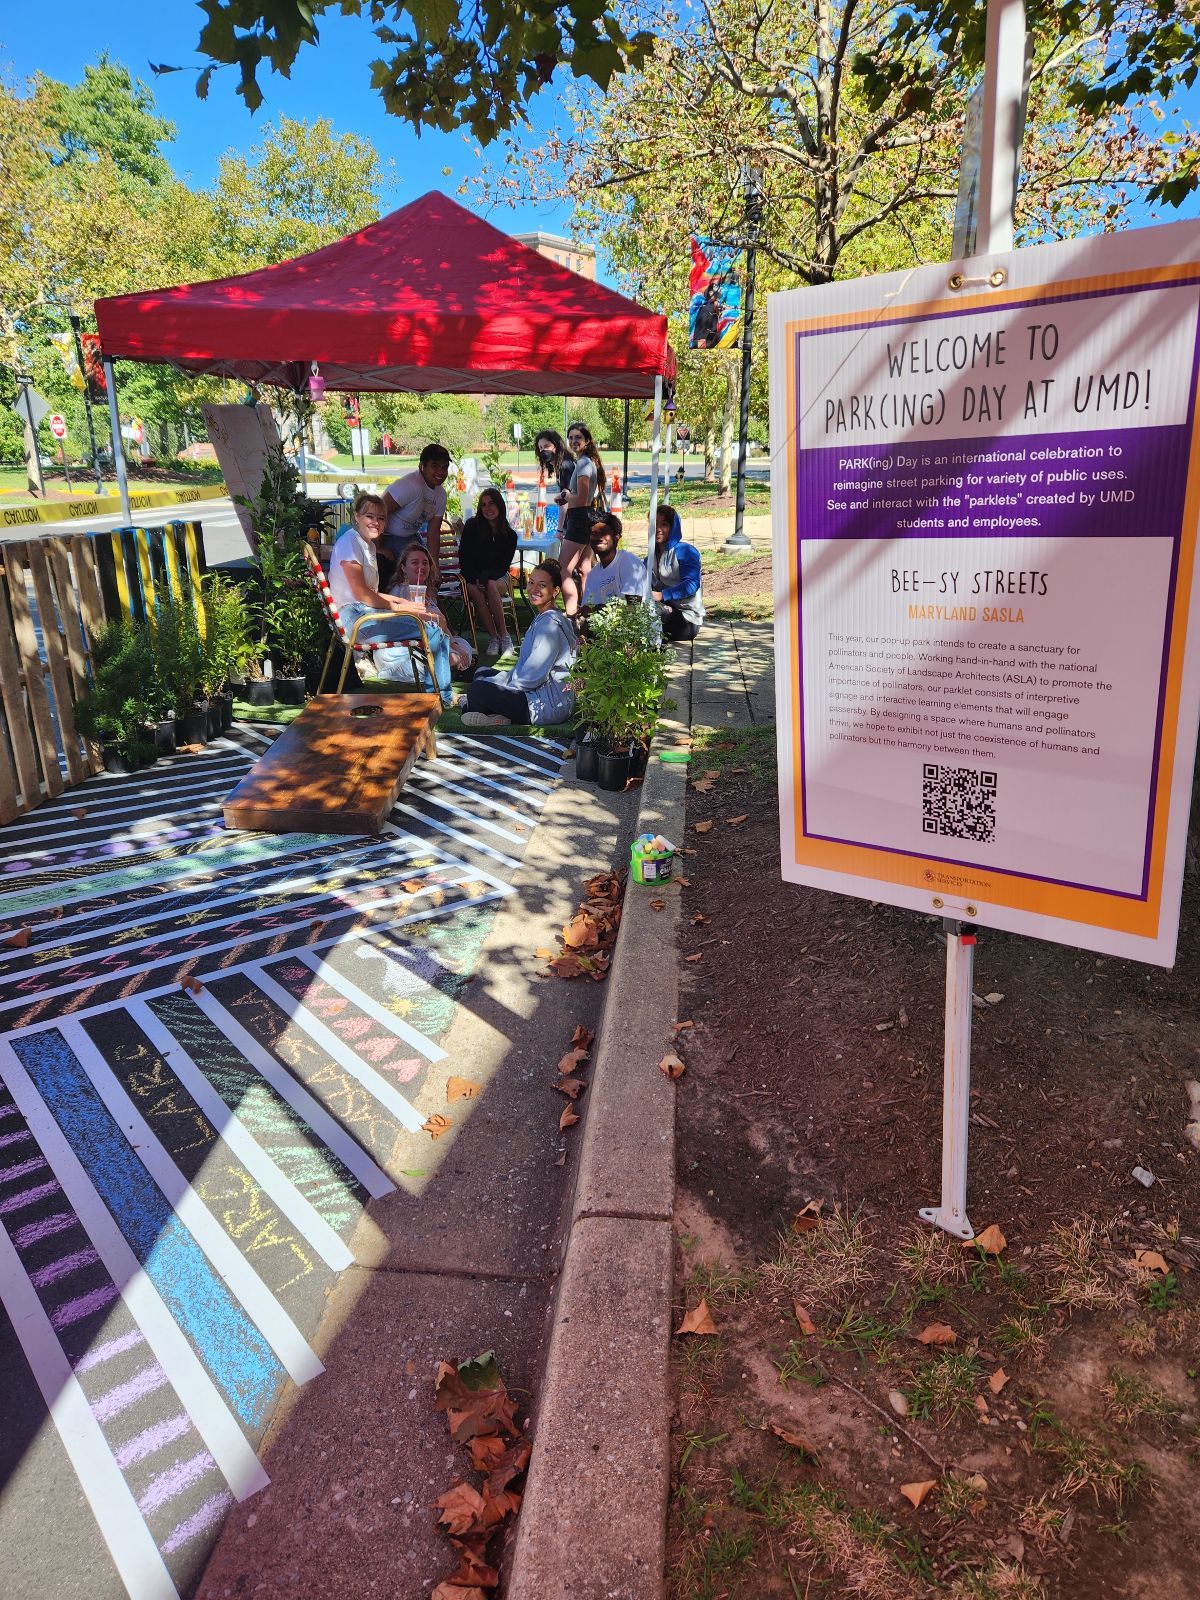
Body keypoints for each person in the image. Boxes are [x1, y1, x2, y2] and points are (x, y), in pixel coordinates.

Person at [327, 491, 454, 706]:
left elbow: (370, 593)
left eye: (381, 518)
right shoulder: (350, 542)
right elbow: (362, 594)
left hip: (360, 616)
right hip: (356, 621)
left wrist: (403, 604)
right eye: (370, 516)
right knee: (432, 631)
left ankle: (437, 696)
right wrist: (398, 606)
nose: (376, 522)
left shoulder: (365, 544)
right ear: (356, 516)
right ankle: (440, 698)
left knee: (433, 629)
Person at [460, 560, 578, 727]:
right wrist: (498, 682)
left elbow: (532, 677)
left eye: (542, 585)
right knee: (482, 673)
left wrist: (503, 689)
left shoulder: (549, 626)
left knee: (477, 691)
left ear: (555, 591)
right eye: (531, 583)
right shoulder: (547, 617)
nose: (534, 589)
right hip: (535, 693)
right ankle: (496, 715)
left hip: (545, 705)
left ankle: (480, 709)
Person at [391, 541, 473, 676]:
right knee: (454, 656)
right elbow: (429, 623)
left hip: (430, 643)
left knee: (463, 645)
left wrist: (454, 645)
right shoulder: (401, 592)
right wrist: (453, 647)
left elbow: (442, 626)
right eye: (415, 562)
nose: (421, 566)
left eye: (425, 563)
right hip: (407, 648)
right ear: (403, 568)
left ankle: (451, 665)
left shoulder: (429, 592)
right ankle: (450, 667)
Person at [458, 485, 518, 660]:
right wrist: (476, 578)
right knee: (475, 590)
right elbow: (464, 557)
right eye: (483, 505)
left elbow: (502, 567)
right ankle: (494, 638)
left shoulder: (510, 536)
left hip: (497, 578)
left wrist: (485, 578)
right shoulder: (471, 526)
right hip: (473, 578)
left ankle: (505, 636)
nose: (488, 509)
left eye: (491, 503)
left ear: (500, 505)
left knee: (491, 585)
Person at [556, 421, 606, 617]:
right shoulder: (585, 461)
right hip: (584, 518)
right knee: (585, 569)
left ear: (587, 440)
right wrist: (566, 496)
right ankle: (588, 613)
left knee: (562, 570)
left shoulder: (584, 462)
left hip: (579, 519)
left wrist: (567, 496)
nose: (574, 441)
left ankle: (571, 613)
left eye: (578, 437)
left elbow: (583, 498)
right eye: (571, 438)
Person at [381, 442, 451, 565]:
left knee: (425, 568)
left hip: (411, 537)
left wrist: (435, 566)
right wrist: (377, 547)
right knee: (416, 566)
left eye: (444, 467)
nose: (440, 471)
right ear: (421, 466)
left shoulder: (441, 495)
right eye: (434, 466)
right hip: (388, 536)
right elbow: (377, 512)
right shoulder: (409, 486)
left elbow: (433, 532)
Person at [651, 504, 705, 641]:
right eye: (654, 524)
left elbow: (692, 584)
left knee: (650, 616)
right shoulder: (650, 557)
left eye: (664, 524)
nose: (658, 529)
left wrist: (662, 595)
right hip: (665, 609)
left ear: (673, 527)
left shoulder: (686, 552)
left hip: (687, 620)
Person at [580, 512, 648, 610]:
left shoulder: (628, 562)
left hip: (636, 624)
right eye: (594, 534)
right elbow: (587, 608)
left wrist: (597, 610)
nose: (599, 538)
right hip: (605, 624)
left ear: (617, 537)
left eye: (604, 533)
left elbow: (633, 606)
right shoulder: (592, 575)